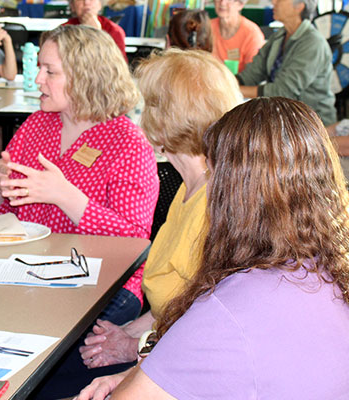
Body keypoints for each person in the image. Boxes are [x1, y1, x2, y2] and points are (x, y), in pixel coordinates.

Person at [77, 97, 349, 399]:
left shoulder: (228, 310)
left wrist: (133, 380)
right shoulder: (329, 273)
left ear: (229, 193)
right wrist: (138, 374)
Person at [0, 25, 158, 398]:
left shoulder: (127, 142)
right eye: (39, 68)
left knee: (32, 371)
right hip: (26, 273)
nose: (38, 79)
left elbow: (136, 241)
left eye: (50, 71)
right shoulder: (36, 125)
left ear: (85, 77)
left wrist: (68, 198)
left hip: (102, 286)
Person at [76, 48, 242, 382]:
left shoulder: (216, 204)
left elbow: (201, 325)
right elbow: (173, 296)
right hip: (161, 343)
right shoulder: (189, 187)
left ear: (167, 119)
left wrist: (132, 346)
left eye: (148, 104)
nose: (140, 115)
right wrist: (126, 330)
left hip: (182, 365)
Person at [237, 0, 336, 126]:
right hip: (283, 118)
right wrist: (225, 84)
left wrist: (234, 90)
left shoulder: (313, 43)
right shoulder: (280, 36)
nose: (273, 2)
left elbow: (282, 91)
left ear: (299, 7)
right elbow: (252, 73)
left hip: (311, 125)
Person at [211, 0, 265, 73]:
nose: (222, 2)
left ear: (240, 5)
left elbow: (252, 74)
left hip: (238, 83)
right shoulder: (207, 27)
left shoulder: (252, 34)